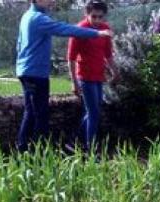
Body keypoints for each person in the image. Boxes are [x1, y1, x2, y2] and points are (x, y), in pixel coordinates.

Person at [16, 0, 112, 152]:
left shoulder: (27, 15)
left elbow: (19, 43)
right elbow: (64, 29)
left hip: (26, 71)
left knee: (31, 113)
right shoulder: (38, 18)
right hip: (36, 73)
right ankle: (37, 153)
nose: (52, 0)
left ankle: (24, 150)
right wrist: (96, 33)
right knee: (41, 115)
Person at [67, 1, 114, 152]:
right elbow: (71, 59)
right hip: (85, 77)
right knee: (94, 113)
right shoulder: (79, 30)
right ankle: (91, 150)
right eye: (94, 16)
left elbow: (108, 54)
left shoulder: (105, 29)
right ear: (86, 14)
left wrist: (115, 71)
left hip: (99, 76)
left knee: (93, 112)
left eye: (100, 17)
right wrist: (74, 83)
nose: (97, 20)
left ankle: (74, 141)